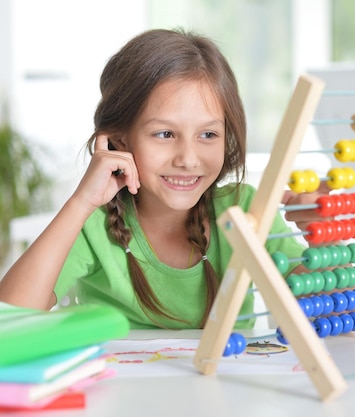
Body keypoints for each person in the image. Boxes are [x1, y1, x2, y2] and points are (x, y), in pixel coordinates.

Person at [0, 29, 323, 330]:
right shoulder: (94, 226)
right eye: (165, 133)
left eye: (208, 134)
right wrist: (81, 202)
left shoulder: (246, 209)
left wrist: (323, 239)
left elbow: (323, 310)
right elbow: (11, 318)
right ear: (120, 140)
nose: (188, 158)